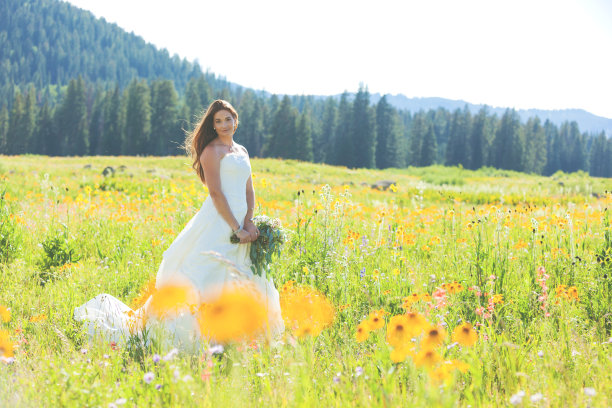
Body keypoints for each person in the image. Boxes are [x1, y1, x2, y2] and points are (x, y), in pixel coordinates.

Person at [74, 100, 284, 351]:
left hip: (243, 223)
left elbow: (249, 189)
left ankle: (236, 336)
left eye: (228, 119)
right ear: (213, 125)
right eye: (218, 121)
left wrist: (249, 222)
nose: (224, 125)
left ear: (235, 120)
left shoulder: (242, 151)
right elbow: (216, 193)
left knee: (243, 275)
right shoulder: (211, 151)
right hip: (219, 221)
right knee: (206, 274)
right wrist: (236, 228)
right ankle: (201, 337)